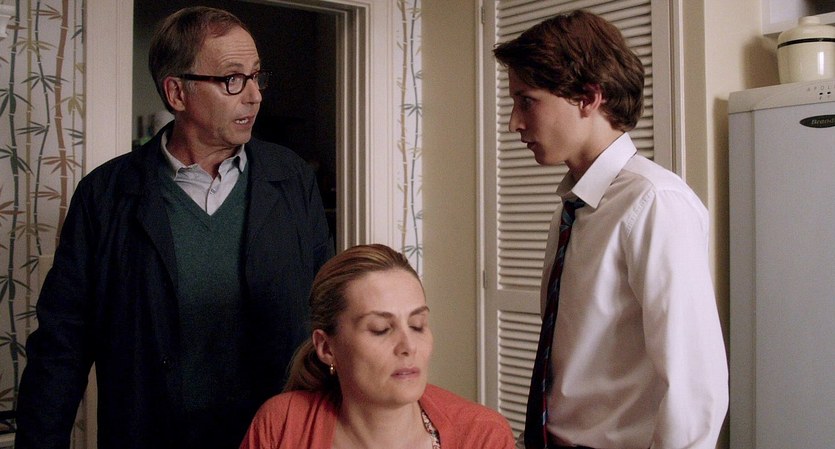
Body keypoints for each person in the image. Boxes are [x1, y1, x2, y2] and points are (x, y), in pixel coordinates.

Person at [15, 7, 332, 449]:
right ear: (177, 93)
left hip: (273, 435)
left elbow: (329, 315)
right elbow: (60, 348)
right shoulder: (104, 196)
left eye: (256, 76)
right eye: (232, 79)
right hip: (150, 435)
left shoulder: (292, 177)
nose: (254, 95)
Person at [493, 10, 728, 449]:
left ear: (587, 97)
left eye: (527, 101)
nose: (514, 123)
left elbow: (695, 386)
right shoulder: (572, 208)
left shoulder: (655, 202)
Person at [239, 244, 516, 449]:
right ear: (326, 348)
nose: (408, 346)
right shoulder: (281, 425)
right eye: (380, 329)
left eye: (418, 324)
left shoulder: (483, 436)